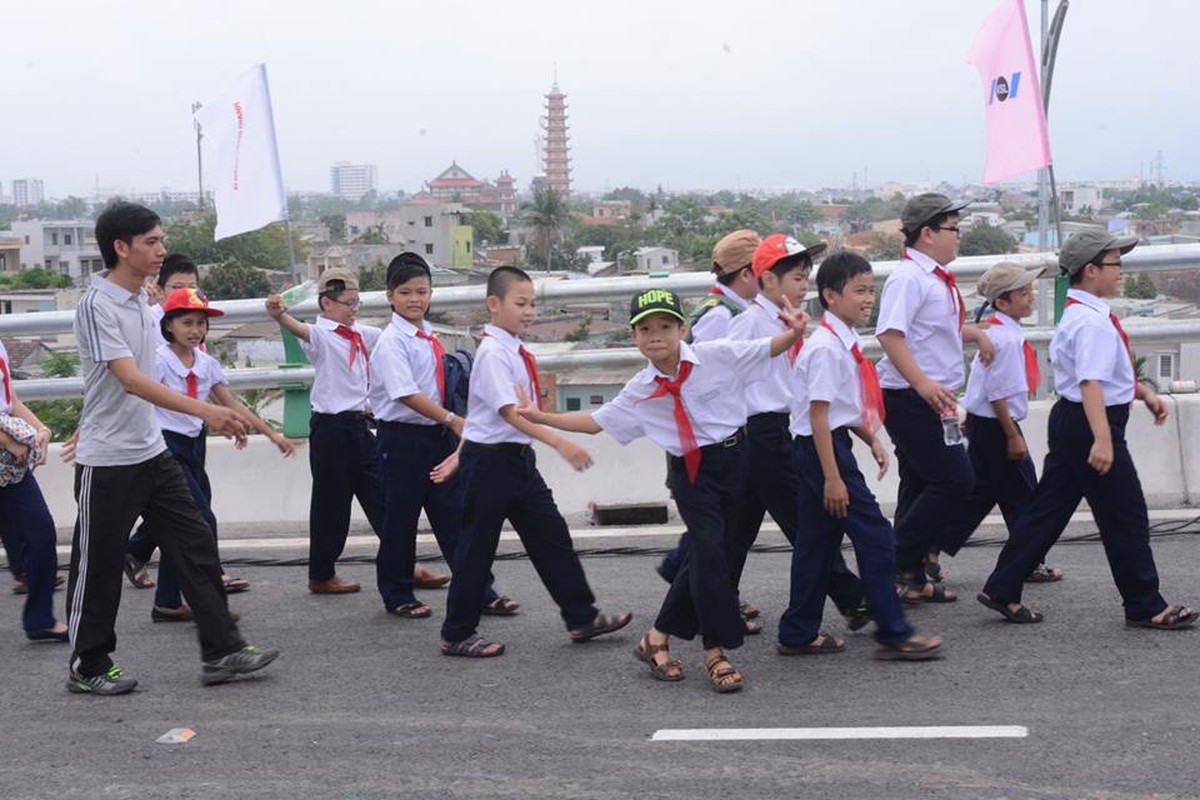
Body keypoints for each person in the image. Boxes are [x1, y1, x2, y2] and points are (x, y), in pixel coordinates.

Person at [519, 287, 809, 692]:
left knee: (707, 556)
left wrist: (794, 334)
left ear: (683, 329)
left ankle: (656, 638)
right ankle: (715, 651)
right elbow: (595, 422)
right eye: (646, 329)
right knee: (710, 554)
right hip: (691, 473)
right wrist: (539, 417)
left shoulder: (715, 355)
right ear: (634, 338)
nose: (656, 335)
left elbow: (765, 349)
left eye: (666, 326)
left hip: (737, 460)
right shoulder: (641, 388)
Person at [67, 201, 278, 695]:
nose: (162, 250)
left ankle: (223, 650)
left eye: (161, 240)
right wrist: (205, 411)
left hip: (151, 451)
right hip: (109, 460)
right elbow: (129, 380)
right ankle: (88, 664)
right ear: (121, 248)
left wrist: (215, 407)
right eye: (151, 243)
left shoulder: (142, 299)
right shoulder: (97, 306)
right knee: (98, 565)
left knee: (196, 541)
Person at [978, 231, 1196, 629]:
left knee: (1048, 510)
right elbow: (1090, 382)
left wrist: (1143, 393)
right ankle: (1146, 604)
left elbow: (1102, 375)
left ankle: (1003, 586)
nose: (1122, 272)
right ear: (1091, 270)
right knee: (1125, 515)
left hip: (1074, 421)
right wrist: (1102, 438)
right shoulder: (1092, 322)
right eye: (1115, 263)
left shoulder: (1081, 314)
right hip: (1092, 422)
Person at [438, 266, 631, 658]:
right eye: (520, 303)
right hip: (491, 463)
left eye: (532, 304)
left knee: (551, 536)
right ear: (494, 305)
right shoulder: (493, 353)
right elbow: (511, 414)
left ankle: (582, 617)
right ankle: (457, 632)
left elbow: (485, 415)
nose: (529, 311)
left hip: (515, 460)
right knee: (477, 547)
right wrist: (562, 443)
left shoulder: (511, 348)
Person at [778, 250, 941, 661]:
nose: (869, 299)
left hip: (825, 447)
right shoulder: (828, 349)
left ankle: (798, 632)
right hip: (822, 453)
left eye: (872, 290)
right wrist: (833, 477)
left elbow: (835, 409)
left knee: (816, 545)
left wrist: (869, 438)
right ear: (831, 296)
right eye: (859, 291)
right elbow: (817, 416)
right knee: (877, 537)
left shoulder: (841, 342)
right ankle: (893, 631)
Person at [266, 269, 450, 595]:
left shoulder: (364, 334)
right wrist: (280, 312)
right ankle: (321, 573)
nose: (353, 309)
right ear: (326, 304)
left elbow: (398, 337)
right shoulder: (321, 335)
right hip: (331, 428)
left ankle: (404, 565)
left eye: (357, 302)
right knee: (331, 504)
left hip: (363, 427)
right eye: (347, 303)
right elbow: (297, 327)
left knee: (384, 500)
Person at [726, 234, 869, 631]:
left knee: (739, 528)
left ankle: (706, 600)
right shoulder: (749, 324)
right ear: (766, 280)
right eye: (795, 278)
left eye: (806, 277)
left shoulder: (788, 320)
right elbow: (725, 372)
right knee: (807, 525)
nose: (803, 285)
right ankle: (853, 598)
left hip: (781, 429)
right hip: (763, 432)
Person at [368, 253, 516, 619]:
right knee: (400, 520)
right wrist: (452, 419)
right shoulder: (392, 342)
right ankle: (397, 594)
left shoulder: (428, 335)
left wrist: (451, 421)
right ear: (390, 296)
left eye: (422, 291)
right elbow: (405, 394)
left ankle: (480, 590)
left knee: (456, 517)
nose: (415, 299)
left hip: (436, 438)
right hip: (401, 440)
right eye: (405, 293)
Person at [139, 287, 295, 623]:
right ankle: (212, 604)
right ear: (168, 325)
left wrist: (271, 434)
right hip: (166, 446)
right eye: (187, 322)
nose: (195, 330)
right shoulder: (158, 361)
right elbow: (138, 397)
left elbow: (230, 402)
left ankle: (167, 600)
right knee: (200, 521)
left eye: (201, 323)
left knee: (177, 524)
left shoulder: (207, 363)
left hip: (195, 445)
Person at [876, 193, 994, 602]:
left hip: (933, 396)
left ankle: (907, 576)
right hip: (910, 396)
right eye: (952, 229)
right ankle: (892, 562)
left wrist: (975, 334)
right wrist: (924, 384)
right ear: (927, 233)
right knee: (955, 479)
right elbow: (890, 335)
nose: (958, 237)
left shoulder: (934, 280)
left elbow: (933, 333)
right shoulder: (909, 279)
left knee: (919, 480)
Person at [124, 253, 251, 595]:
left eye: (193, 286)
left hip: (193, 434)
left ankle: (165, 593)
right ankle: (208, 588)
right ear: (160, 289)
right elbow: (135, 387)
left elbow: (220, 395)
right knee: (194, 516)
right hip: (164, 439)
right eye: (178, 287)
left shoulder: (201, 351)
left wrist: (248, 426)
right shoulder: (149, 326)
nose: (195, 328)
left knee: (182, 512)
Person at [932, 262, 1062, 583]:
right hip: (996, 426)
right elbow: (997, 393)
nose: (1031, 297)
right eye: (1023, 293)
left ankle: (929, 548)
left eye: (1030, 290)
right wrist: (1012, 435)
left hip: (984, 424)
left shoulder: (1001, 333)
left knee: (981, 494)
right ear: (1002, 303)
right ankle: (1026, 562)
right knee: (1025, 495)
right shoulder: (1004, 340)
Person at [660, 230, 764, 628]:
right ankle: (703, 602)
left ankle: (699, 585)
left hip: (725, 434)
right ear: (746, 273)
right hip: (712, 439)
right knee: (718, 529)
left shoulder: (726, 308)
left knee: (725, 526)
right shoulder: (721, 315)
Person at [0, 340, 68, 643]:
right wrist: (6, 439)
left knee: (40, 531)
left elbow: (9, 399)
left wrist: (41, 430)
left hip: (8, 465)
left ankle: (40, 618)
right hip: (6, 451)